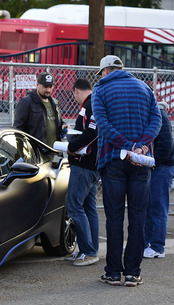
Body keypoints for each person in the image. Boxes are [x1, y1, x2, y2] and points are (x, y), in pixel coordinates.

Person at [92, 55, 162, 287]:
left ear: (105, 71)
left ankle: (113, 272)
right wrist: (141, 144)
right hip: (141, 160)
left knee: (114, 218)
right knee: (138, 217)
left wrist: (125, 144)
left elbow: (102, 123)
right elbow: (157, 119)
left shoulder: (100, 90)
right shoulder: (145, 88)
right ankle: (133, 272)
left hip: (113, 160)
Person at [65, 79, 100, 266]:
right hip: (89, 165)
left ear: (76, 91)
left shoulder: (90, 105)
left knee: (75, 206)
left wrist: (71, 147)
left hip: (85, 165)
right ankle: (89, 250)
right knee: (88, 208)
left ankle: (88, 251)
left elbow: (92, 133)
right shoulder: (92, 103)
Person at [144, 102, 174, 259]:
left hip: (161, 169)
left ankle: (157, 247)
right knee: (152, 207)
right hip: (158, 167)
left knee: (158, 207)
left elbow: (165, 147)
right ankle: (150, 244)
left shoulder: (159, 117)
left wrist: (152, 162)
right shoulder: (156, 114)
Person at [13, 72, 66, 147]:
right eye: (45, 86)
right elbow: (18, 128)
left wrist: (64, 125)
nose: (48, 90)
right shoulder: (27, 102)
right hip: (35, 151)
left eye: (50, 86)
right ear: (37, 85)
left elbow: (58, 122)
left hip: (53, 150)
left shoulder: (54, 102)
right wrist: (23, 149)